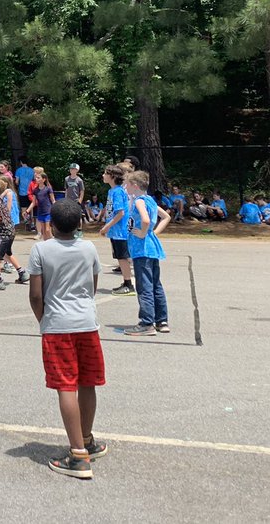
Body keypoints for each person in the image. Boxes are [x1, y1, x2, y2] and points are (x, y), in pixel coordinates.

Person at [28, 199, 106, 479]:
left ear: (51, 224)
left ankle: (77, 456)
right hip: (86, 322)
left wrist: (44, 319)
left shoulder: (41, 249)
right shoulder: (89, 247)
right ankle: (86, 439)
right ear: (80, 225)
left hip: (57, 324)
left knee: (66, 386)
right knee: (87, 381)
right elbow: (92, 285)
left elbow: (36, 294)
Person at [123, 170, 171, 336]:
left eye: (128, 184)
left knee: (144, 287)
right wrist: (153, 232)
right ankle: (162, 320)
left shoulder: (139, 202)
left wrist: (144, 232)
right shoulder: (150, 200)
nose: (126, 187)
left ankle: (146, 323)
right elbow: (166, 217)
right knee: (156, 284)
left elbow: (144, 220)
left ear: (135, 186)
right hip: (151, 248)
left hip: (142, 249)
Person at [98, 165, 134, 296]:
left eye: (105, 173)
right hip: (115, 231)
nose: (103, 175)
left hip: (120, 231)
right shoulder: (112, 191)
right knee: (120, 257)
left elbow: (120, 213)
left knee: (122, 258)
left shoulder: (118, 192)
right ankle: (126, 282)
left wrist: (107, 227)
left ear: (112, 176)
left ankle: (128, 285)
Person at [32, 167, 56, 241]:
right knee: (44, 232)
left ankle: (54, 242)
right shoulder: (35, 190)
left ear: (43, 179)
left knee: (48, 230)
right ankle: (46, 246)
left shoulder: (48, 188)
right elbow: (33, 203)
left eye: (38, 178)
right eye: (36, 177)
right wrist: (27, 211)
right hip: (40, 211)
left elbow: (53, 200)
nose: (36, 179)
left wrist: (56, 209)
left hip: (48, 211)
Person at [14, 158, 35, 226]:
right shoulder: (32, 170)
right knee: (31, 207)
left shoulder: (19, 170)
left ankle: (26, 221)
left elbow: (17, 182)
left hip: (22, 192)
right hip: (31, 191)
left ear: (21, 162)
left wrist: (18, 184)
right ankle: (32, 222)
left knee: (24, 207)